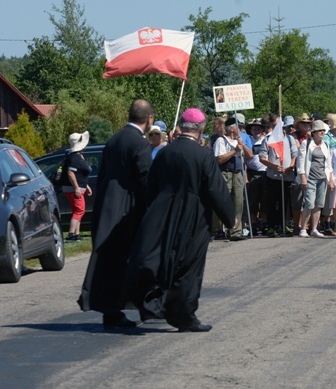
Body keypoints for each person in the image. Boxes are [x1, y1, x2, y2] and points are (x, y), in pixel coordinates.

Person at [126, 108, 235, 332]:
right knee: (189, 266)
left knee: (167, 260)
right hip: (193, 216)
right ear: (202, 129)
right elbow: (216, 189)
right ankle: (184, 315)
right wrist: (229, 217)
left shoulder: (165, 152)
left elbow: (151, 185)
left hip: (163, 213)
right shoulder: (203, 155)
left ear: (182, 128)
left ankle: (157, 306)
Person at [77, 99, 154, 330]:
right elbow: (145, 180)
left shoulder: (114, 139)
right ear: (149, 118)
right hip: (127, 210)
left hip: (106, 206)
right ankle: (139, 306)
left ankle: (111, 310)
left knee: (109, 261)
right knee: (127, 260)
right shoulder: (140, 144)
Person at [259, 114, 298, 237]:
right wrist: (274, 166)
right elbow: (262, 157)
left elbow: (294, 155)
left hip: (287, 176)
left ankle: (283, 225)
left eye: (279, 125)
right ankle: (271, 226)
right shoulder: (267, 140)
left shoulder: (290, 139)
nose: (277, 127)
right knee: (272, 202)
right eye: (274, 125)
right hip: (272, 176)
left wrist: (290, 167)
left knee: (285, 202)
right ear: (271, 126)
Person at [215, 116, 253, 241]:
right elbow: (219, 159)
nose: (240, 129)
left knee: (238, 202)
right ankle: (218, 229)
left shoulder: (239, 141)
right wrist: (234, 150)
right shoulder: (221, 141)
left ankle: (236, 231)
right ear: (231, 128)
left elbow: (250, 156)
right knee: (223, 201)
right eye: (238, 127)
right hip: (226, 173)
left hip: (238, 173)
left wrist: (242, 145)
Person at [296, 120, 335, 238]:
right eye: (319, 131)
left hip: (322, 178)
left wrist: (331, 180)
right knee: (309, 203)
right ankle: (303, 228)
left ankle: (314, 229)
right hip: (310, 178)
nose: (322, 132)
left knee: (318, 204)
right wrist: (303, 177)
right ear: (314, 132)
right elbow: (301, 162)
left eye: (323, 130)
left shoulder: (325, 145)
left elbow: (328, 164)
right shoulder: (306, 144)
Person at [62, 131, 93, 242]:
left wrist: (86, 185)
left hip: (78, 187)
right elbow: (71, 173)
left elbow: (80, 174)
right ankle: (71, 234)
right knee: (80, 210)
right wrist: (76, 188)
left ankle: (76, 234)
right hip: (74, 189)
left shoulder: (77, 155)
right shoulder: (75, 157)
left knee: (77, 211)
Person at [245, 117, 268, 235]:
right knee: (253, 202)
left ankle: (264, 224)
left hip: (265, 173)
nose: (256, 131)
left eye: (259, 129)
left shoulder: (266, 140)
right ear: (251, 130)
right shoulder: (248, 142)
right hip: (253, 173)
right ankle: (253, 225)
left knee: (264, 201)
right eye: (254, 129)